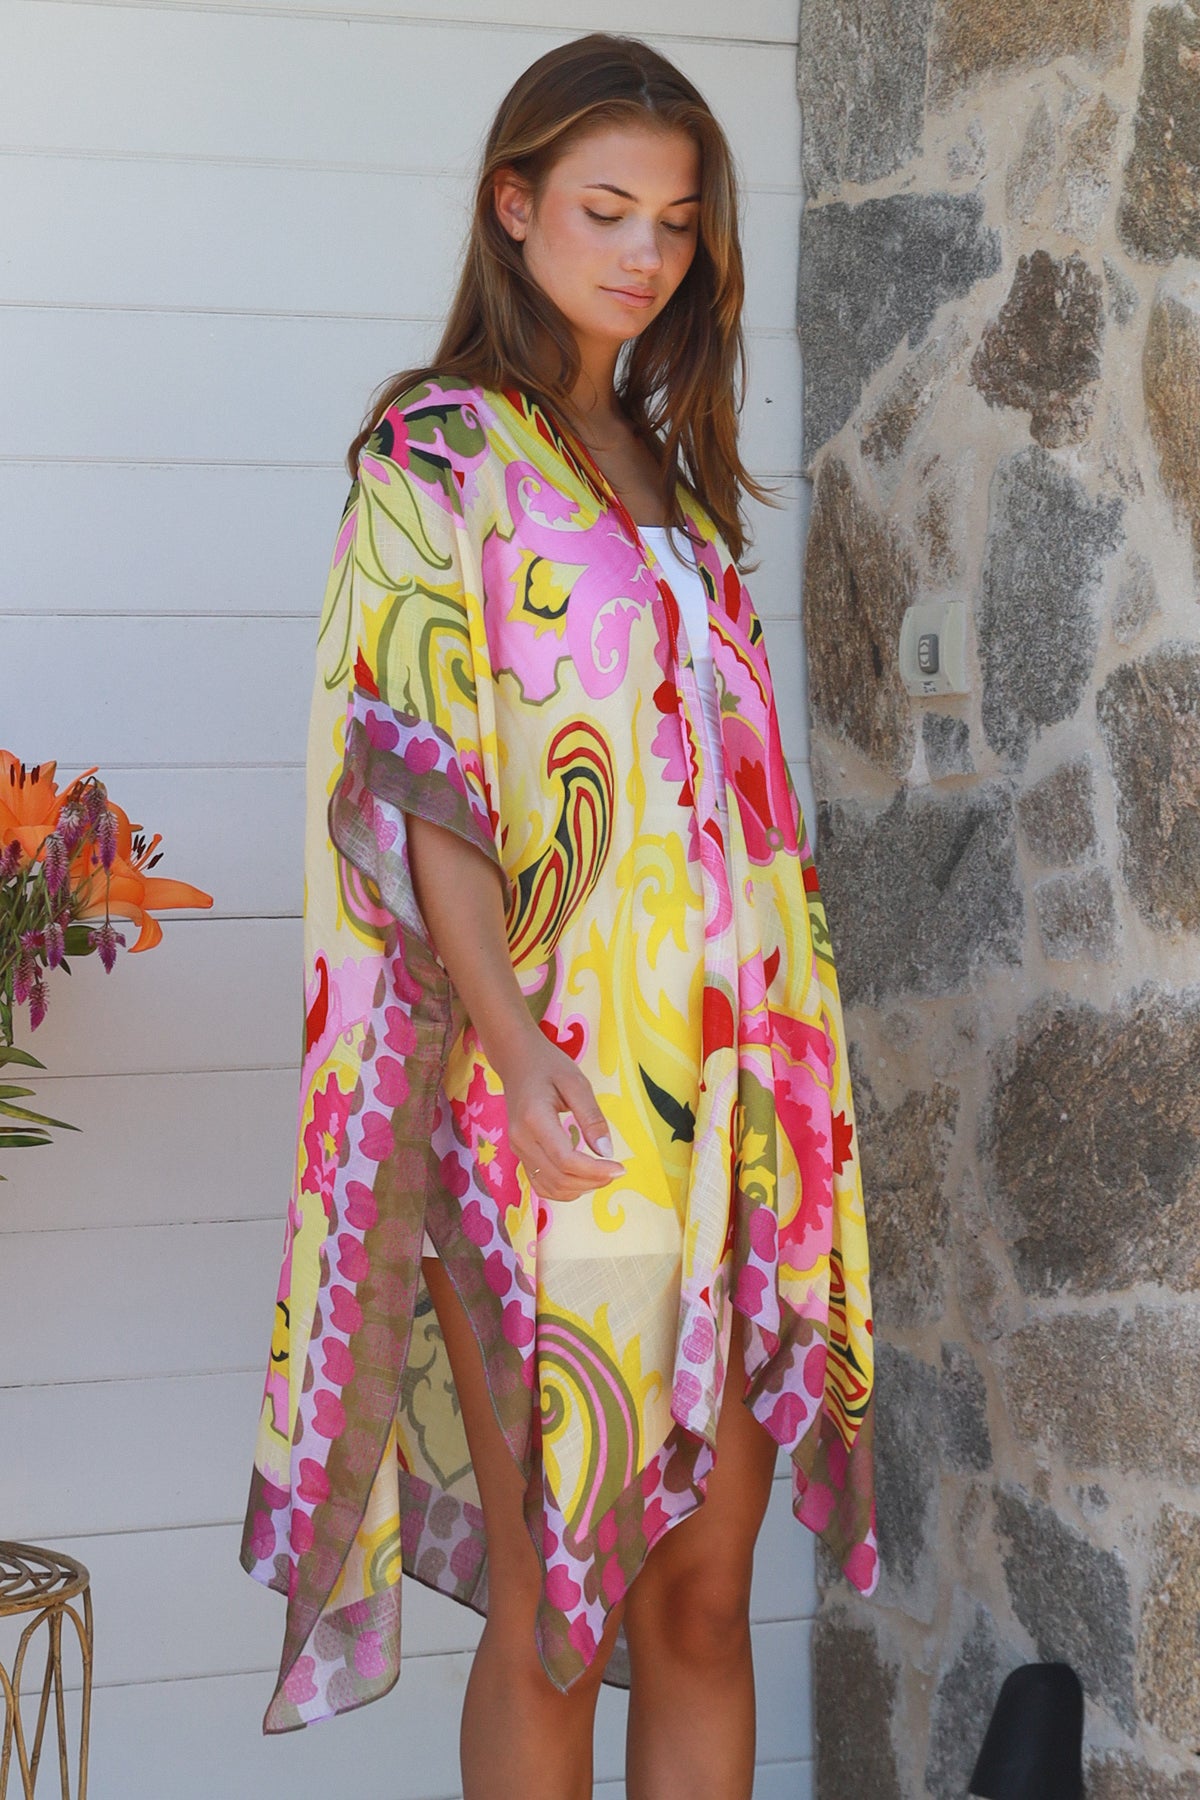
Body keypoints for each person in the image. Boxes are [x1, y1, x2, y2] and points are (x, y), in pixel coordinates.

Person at [239, 30, 876, 1800]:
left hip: (731, 1109)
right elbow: (418, 778)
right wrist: (516, 1053)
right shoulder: (435, 458)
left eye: (674, 222)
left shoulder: (674, 478)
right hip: (544, 1105)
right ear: (513, 207)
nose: (643, 253)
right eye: (606, 209)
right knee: (558, 1613)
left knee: (702, 1602)